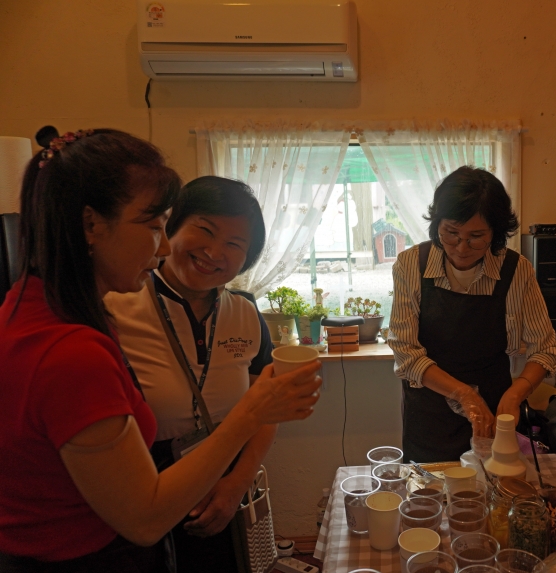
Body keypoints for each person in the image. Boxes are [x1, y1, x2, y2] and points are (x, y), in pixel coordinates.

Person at [0, 127, 322, 572]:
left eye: (235, 245)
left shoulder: (32, 309)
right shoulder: (78, 342)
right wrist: (253, 411)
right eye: (155, 226)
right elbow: (144, 518)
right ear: (91, 225)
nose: (165, 245)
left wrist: (235, 480)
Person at [104, 176, 272, 573]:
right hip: (145, 484)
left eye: (234, 244)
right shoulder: (115, 307)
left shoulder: (245, 313)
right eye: (205, 230)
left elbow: (266, 407)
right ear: (169, 228)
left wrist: (237, 484)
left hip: (225, 484)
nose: (214, 252)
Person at [388, 166, 556, 463]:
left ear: (496, 231)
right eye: (451, 233)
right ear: (437, 224)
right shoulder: (411, 265)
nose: (461, 247)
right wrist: (465, 395)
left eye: (476, 236)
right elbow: (406, 353)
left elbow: (545, 350)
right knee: (431, 488)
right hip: (430, 414)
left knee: (494, 484)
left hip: (496, 411)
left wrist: (516, 393)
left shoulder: (516, 270)